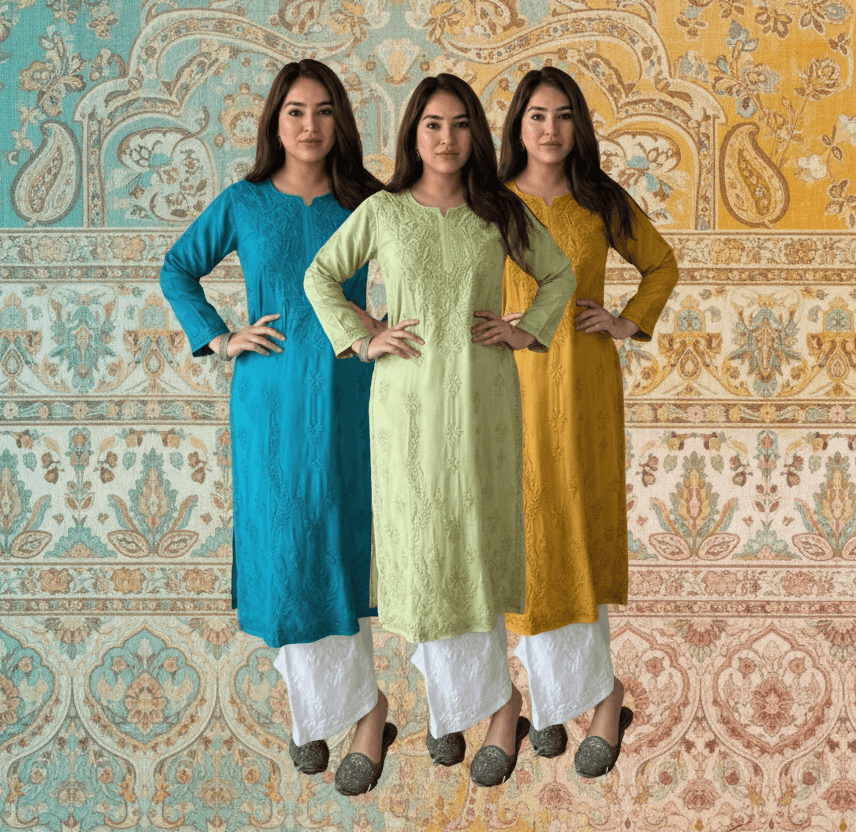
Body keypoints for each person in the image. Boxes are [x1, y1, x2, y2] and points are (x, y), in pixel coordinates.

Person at [303, 73, 576, 788]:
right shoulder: (386, 211)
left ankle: (497, 707)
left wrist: (525, 332)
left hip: (483, 405)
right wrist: (364, 338)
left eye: (459, 125)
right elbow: (321, 277)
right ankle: (449, 707)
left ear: (476, 136)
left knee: (474, 548)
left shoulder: (499, 213)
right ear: (412, 135)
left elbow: (560, 277)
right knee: (422, 556)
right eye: (432, 125)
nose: (447, 139)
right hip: (405, 411)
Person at [158, 59, 394, 795]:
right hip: (266, 398)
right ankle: (322, 710)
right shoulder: (244, 201)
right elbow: (177, 268)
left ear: (341, 121)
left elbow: (426, 263)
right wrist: (221, 337)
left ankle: (359, 714)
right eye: (296, 111)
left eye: (324, 111)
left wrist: (387, 325)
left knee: (332, 539)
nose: (311, 125)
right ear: (275, 120)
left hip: (347, 392)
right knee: (281, 546)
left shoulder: (367, 202)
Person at [497, 66, 680, 777]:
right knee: (519, 534)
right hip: (508, 389)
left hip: (583, 387)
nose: (550, 129)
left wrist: (628, 322)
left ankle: (602, 701)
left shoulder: (601, 201)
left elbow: (661, 265)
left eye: (563, 115)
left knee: (573, 528)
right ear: (517, 125)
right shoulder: (493, 204)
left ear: (579, 127)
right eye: (537, 115)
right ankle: (544, 700)